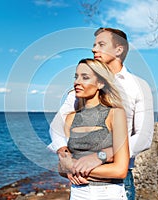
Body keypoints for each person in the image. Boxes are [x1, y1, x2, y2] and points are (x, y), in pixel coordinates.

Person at [48, 27, 154, 200]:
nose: (94, 49)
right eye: (94, 44)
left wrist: (101, 156)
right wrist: (66, 158)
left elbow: (144, 137)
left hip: (116, 179)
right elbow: (56, 126)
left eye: (101, 44)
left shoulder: (138, 86)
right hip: (80, 180)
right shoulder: (81, 89)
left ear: (118, 50)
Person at [58, 58, 129, 199]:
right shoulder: (70, 118)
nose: (77, 82)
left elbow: (120, 170)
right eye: (76, 76)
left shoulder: (115, 114)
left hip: (107, 193)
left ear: (101, 83)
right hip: (77, 194)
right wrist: (67, 169)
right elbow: (62, 166)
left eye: (85, 77)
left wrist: (74, 168)